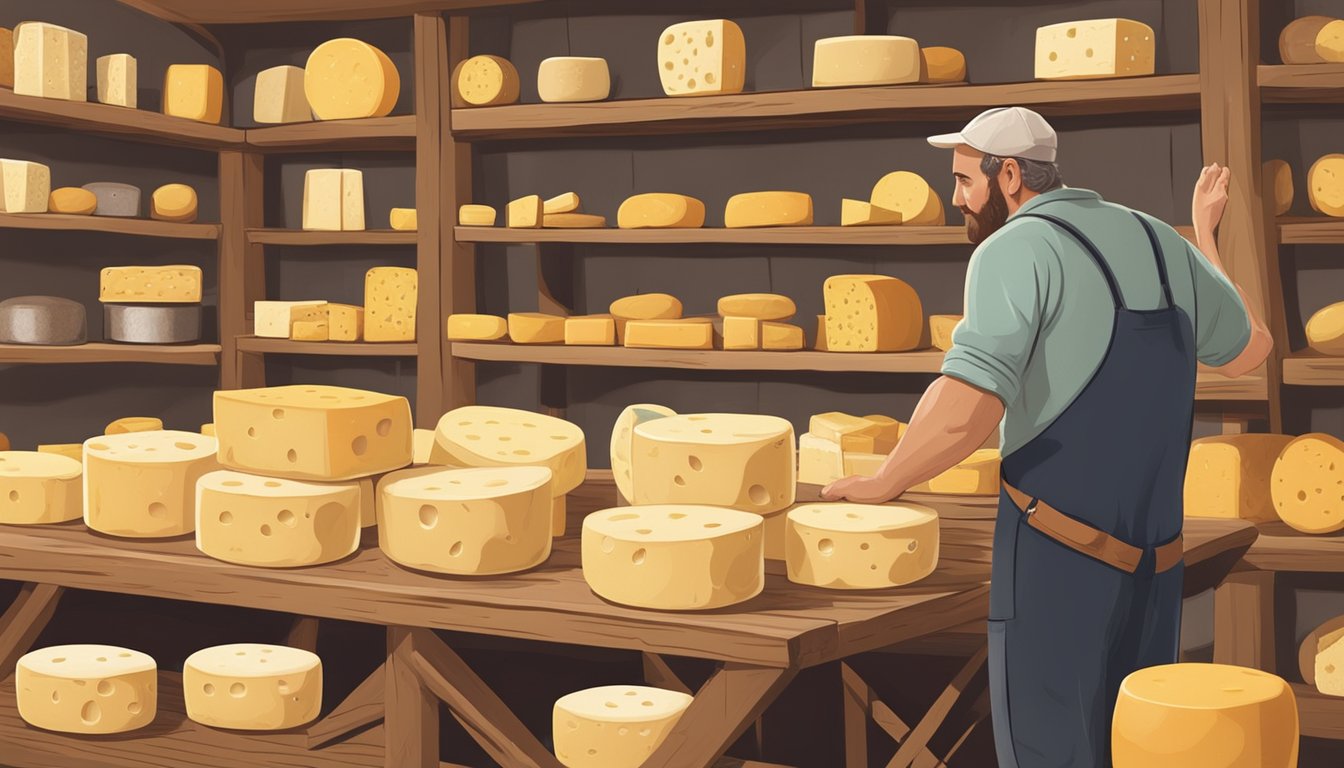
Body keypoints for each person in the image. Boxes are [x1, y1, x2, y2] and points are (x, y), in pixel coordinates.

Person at [821, 106, 1273, 767]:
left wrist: (886, 479)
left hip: (1059, 564)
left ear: (1008, 176)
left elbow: (968, 409)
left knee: (1048, 752)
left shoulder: (1014, 250)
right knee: (1140, 751)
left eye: (963, 181)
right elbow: (1250, 349)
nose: (956, 200)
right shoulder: (1157, 238)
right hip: (1157, 568)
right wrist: (1204, 236)